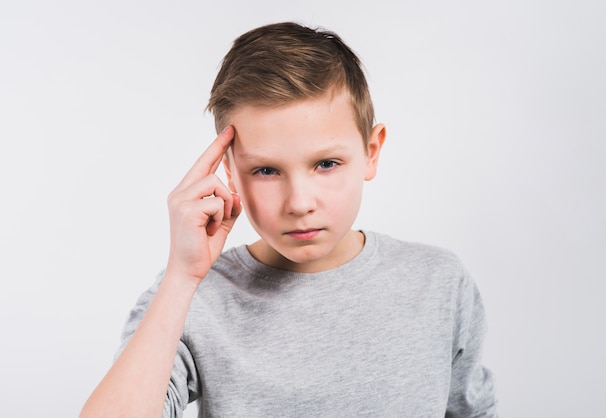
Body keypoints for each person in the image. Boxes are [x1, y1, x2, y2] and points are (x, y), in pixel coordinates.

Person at [80, 22, 497, 417]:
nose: (298, 203)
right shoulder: (195, 298)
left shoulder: (439, 283)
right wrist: (181, 278)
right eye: (266, 170)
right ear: (229, 172)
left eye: (326, 163)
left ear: (372, 151)